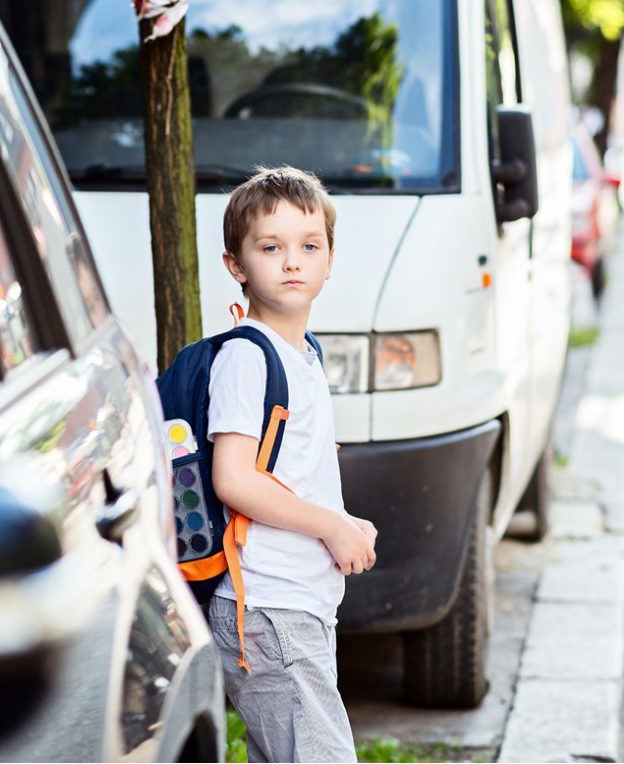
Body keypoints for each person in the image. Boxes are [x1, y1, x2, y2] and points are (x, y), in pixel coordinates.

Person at [206, 165, 377, 763]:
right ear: (237, 265)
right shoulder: (246, 357)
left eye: (309, 246)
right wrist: (328, 527)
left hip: (295, 606)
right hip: (269, 609)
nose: (292, 262)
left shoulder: (300, 354)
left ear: (330, 259)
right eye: (270, 247)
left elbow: (292, 471)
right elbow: (234, 478)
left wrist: (343, 519)